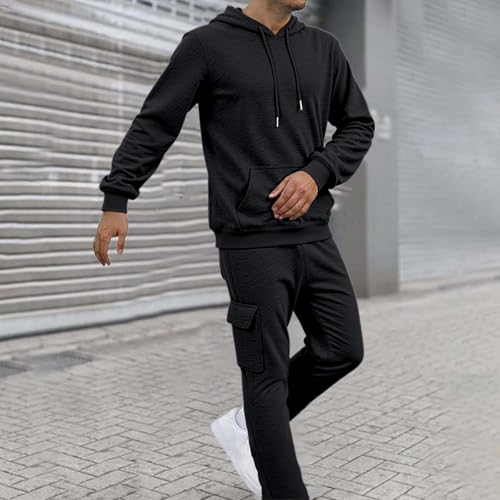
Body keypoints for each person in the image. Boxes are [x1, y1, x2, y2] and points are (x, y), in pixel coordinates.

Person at [93, 1, 375, 498]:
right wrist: (118, 196)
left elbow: (358, 124)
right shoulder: (207, 45)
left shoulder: (323, 48)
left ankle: (246, 426)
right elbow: (156, 123)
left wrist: (317, 173)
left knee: (342, 348)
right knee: (265, 375)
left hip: (313, 233)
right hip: (250, 241)